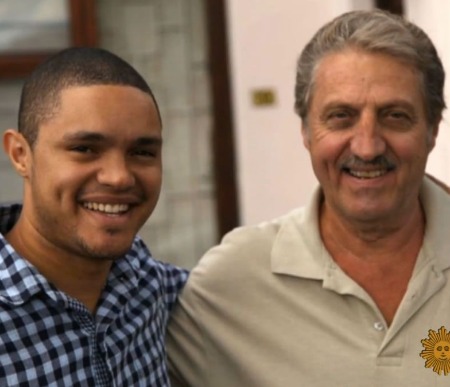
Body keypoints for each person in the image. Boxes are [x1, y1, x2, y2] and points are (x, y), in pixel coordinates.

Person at [167, 9, 450, 386]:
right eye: (341, 117)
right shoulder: (232, 282)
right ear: (305, 130)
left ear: (432, 129)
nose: (367, 147)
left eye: (395, 116)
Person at [0, 47, 188, 386]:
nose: (118, 177)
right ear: (20, 155)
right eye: (84, 149)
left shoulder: (149, 285)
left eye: (142, 152)